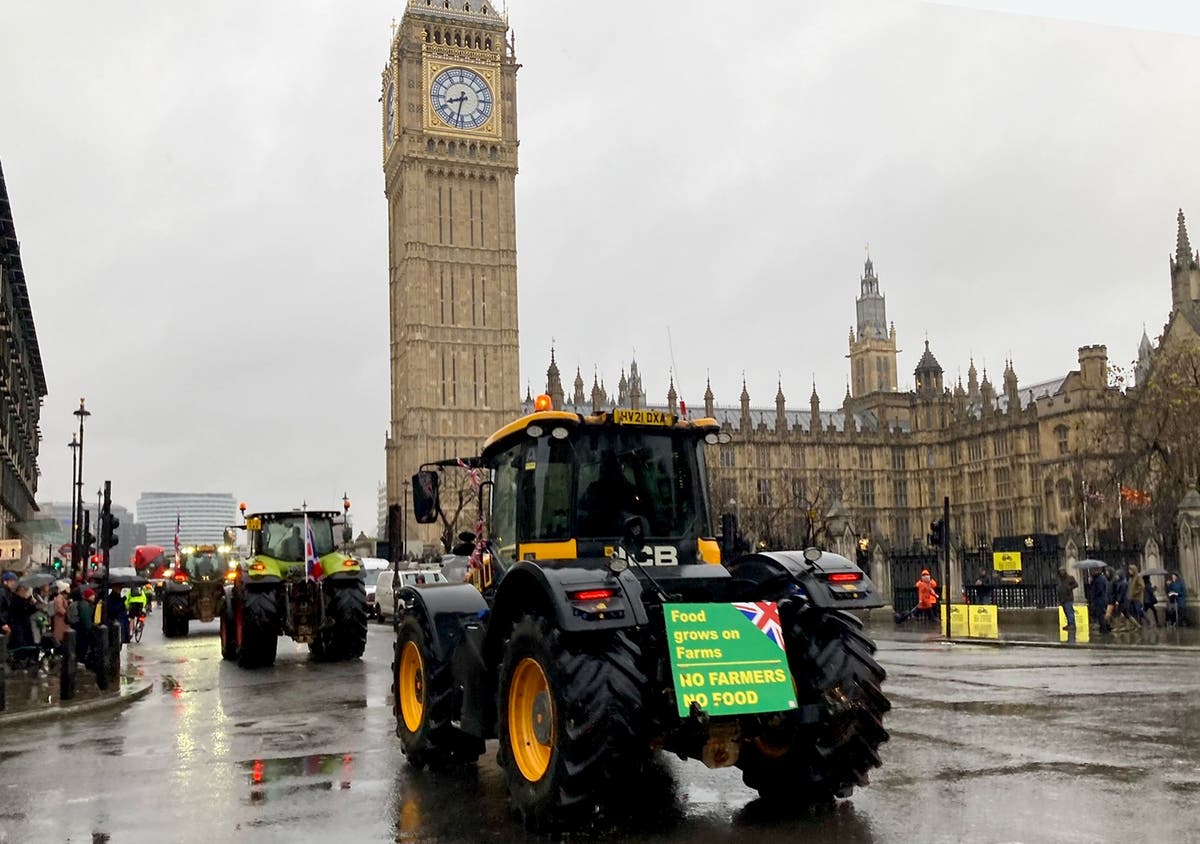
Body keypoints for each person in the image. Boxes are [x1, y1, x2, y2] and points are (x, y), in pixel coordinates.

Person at [1090, 567, 1110, 633]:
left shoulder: (1100, 579)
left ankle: (1104, 629)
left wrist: (1095, 595)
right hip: (1101, 599)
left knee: (1101, 615)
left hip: (1100, 600)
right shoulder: (1099, 578)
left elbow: (1099, 590)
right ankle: (1105, 628)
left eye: (1093, 570)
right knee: (1101, 614)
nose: (1091, 572)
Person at [51, 581, 70, 646]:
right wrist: (67, 613)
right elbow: (59, 609)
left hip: (62, 620)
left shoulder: (62, 598)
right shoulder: (59, 598)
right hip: (60, 620)